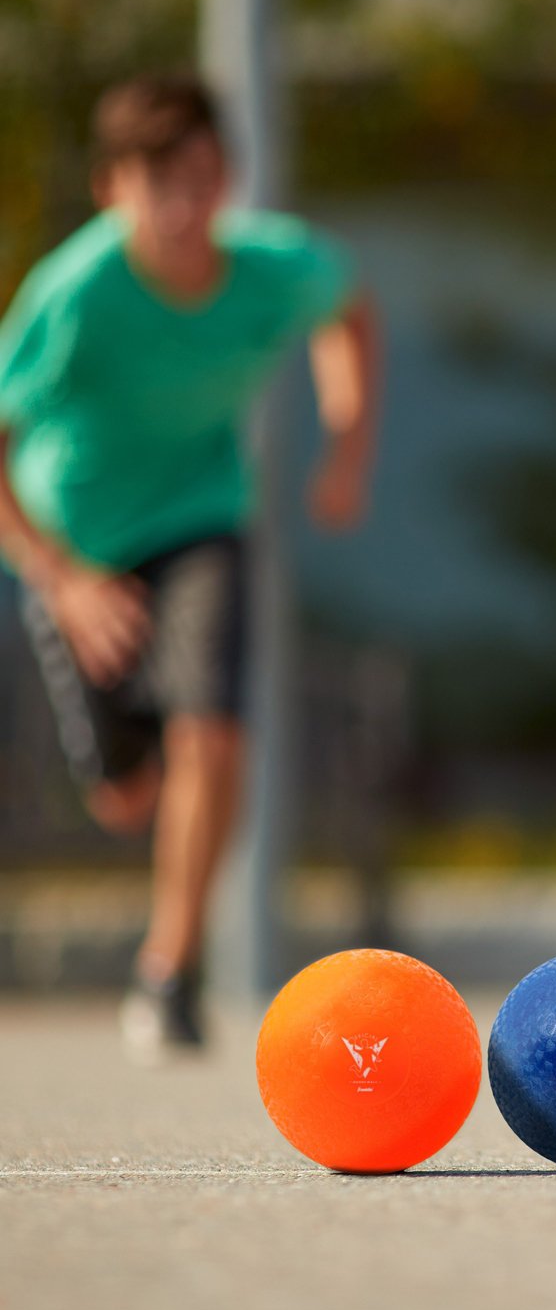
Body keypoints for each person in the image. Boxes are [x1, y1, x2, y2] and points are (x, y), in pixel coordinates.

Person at [0, 73, 380, 1060]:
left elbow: (351, 313)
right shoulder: (75, 294)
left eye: (202, 178)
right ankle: (132, 771)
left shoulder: (276, 266)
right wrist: (62, 580)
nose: (181, 206)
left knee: (212, 731)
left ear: (229, 180)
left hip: (206, 514)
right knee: (127, 795)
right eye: (155, 183)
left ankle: (168, 970)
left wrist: (346, 445)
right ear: (110, 189)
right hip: (80, 542)